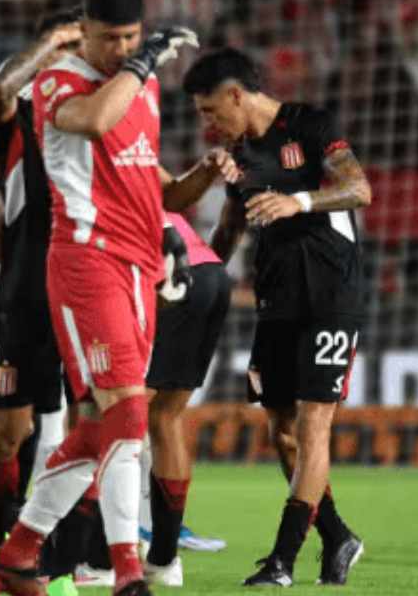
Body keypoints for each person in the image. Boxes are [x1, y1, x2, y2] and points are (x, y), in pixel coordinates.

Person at [0, 0, 194, 596]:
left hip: (137, 266)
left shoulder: (143, 85)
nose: (122, 49)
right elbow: (99, 123)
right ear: (86, 30)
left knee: (107, 425)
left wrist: (166, 237)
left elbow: (140, 175)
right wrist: (148, 58)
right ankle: (128, 570)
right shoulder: (58, 82)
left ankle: (18, 554)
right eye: (109, 38)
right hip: (84, 261)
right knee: (128, 410)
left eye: (132, 36)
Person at [182, 47, 369, 587]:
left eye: (211, 110)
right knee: (281, 432)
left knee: (314, 427)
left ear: (237, 94)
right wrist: (203, 279)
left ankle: (282, 561)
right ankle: (336, 535)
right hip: (276, 299)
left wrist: (299, 202)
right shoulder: (236, 154)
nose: (207, 121)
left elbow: (360, 189)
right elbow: (228, 230)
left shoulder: (309, 125)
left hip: (331, 294)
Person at [0, 8, 81, 589]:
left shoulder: (113, 115)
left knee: (95, 428)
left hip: (89, 292)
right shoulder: (24, 118)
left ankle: (73, 561)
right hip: (27, 294)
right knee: (6, 434)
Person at [139, 212, 232, 586]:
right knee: (165, 418)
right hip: (211, 272)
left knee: (120, 417)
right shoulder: (142, 170)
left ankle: (100, 555)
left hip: (167, 277)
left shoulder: (80, 181)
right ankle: (163, 560)